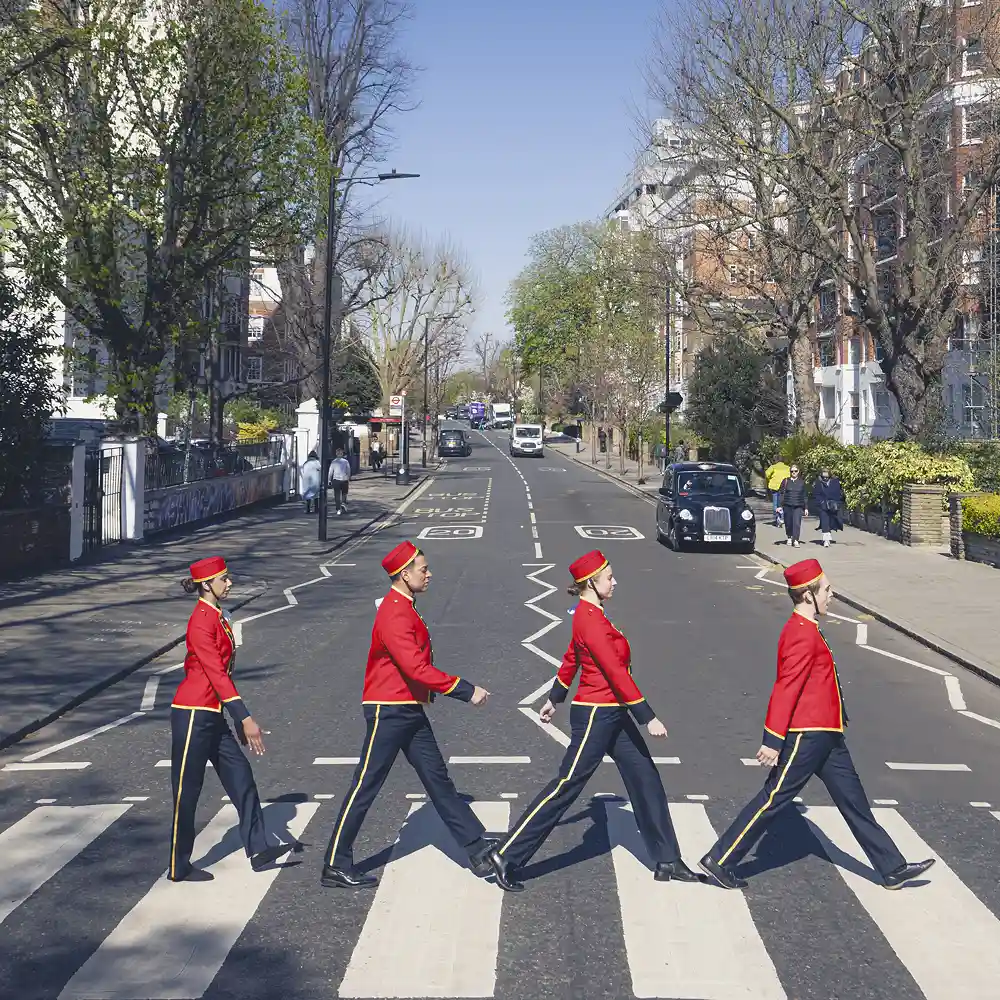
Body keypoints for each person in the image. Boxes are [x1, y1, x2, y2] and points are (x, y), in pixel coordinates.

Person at [699, 558, 935, 891]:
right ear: (808, 595)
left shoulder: (808, 630)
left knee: (854, 802)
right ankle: (720, 860)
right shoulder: (800, 634)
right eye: (826, 590)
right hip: (807, 735)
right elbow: (786, 687)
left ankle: (891, 867)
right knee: (774, 799)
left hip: (828, 735)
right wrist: (772, 739)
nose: (831, 595)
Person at [490, 550, 704, 893]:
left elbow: (571, 658)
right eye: (609, 578)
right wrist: (647, 716)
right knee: (567, 785)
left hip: (612, 713)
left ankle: (667, 859)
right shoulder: (589, 620)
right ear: (591, 583)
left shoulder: (591, 615)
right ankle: (506, 854)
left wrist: (554, 698)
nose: (615, 582)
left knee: (646, 778)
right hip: (596, 714)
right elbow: (615, 671)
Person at [321, 541, 508, 889]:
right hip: (388, 710)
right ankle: (335, 863)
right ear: (405, 575)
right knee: (365, 785)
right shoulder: (394, 612)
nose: (429, 574)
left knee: (438, 780)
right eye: (423, 569)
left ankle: (477, 849)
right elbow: (416, 668)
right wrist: (466, 690)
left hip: (407, 709)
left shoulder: (404, 607)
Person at [170, 557, 288, 882]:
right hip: (192, 714)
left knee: (241, 778)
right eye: (223, 579)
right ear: (206, 584)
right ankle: (178, 866)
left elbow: (225, 673)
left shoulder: (218, 616)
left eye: (227, 577)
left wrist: (233, 717)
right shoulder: (200, 622)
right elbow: (215, 674)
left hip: (213, 714)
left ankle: (259, 848)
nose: (229, 583)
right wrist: (244, 717)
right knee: (187, 793)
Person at [812, 468, 845, 547]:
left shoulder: (835, 482)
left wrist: (837, 503)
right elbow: (816, 494)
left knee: (831, 521)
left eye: (827, 477)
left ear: (830, 476)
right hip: (823, 505)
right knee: (824, 522)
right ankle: (826, 540)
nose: (825, 479)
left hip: (833, 505)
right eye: (824, 477)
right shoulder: (818, 483)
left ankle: (828, 535)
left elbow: (838, 493)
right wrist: (821, 502)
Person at [778, 464, 807, 546]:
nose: (793, 472)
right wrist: (779, 506)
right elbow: (781, 493)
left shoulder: (802, 482)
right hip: (787, 505)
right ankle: (789, 537)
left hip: (798, 506)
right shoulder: (786, 481)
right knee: (788, 523)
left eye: (795, 471)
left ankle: (796, 540)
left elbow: (804, 496)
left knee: (797, 523)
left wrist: (806, 508)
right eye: (792, 471)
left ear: (798, 472)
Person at [765, 456, 791, 526]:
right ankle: (783, 518)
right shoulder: (788, 468)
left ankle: (778, 518)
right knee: (784, 503)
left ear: (776, 461)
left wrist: (770, 478)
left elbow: (767, 474)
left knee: (776, 503)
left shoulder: (773, 467)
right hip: (785, 487)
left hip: (775, 487)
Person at [329, 447, 351, 514]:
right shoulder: (346, 461)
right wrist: (348, 477)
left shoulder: (333, 462)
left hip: (336, 480)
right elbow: (348, 470)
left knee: (337, 494)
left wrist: (329, 480)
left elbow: (330, 472)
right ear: (342, 454)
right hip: (344, 479)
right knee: (344, 493)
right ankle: (343, 503)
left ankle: (338, 509)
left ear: (336, 454)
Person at [300, 450, 321, 514]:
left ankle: (308, 509)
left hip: (306, 481)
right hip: (314, 480)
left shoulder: (306, 463)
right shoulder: (316, 462)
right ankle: (316, 509)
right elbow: (320, 468)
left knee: (307, 495)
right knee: (316, 495)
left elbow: (303, 471)